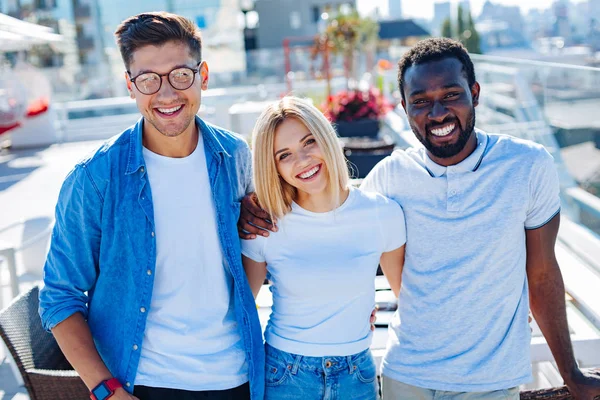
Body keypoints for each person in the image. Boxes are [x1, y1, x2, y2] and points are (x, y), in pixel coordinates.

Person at [239, 38, 600, 400]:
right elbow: (349, 230)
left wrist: (570, 372)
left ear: (475, 92)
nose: (438, 113)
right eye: (422, 102)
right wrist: (252, 203)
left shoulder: (528, 165)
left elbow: (542, 273)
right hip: (403, 375)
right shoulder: (390, 178)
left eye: (451, 95)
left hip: (490, 378)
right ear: (405, 108)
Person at [39, 12, 264, 400]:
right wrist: (107, 391)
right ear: (130, 86)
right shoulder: (95, 178)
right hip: (143, 384)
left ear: (203, 76)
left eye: (180, 74)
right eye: (148, 80)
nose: (166, 94)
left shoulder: (236, 156)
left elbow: (255, 251)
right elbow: (60, 297)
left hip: (238, 377)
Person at [241, 96, 406, 399]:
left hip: (357, 374)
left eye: (309, 142)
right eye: (284, 155)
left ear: (326, 137)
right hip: (286, 375)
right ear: (273, 166)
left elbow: (410, 300)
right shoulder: (265, 225)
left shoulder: (383, 214)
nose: (302, 160)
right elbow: (239, 311)